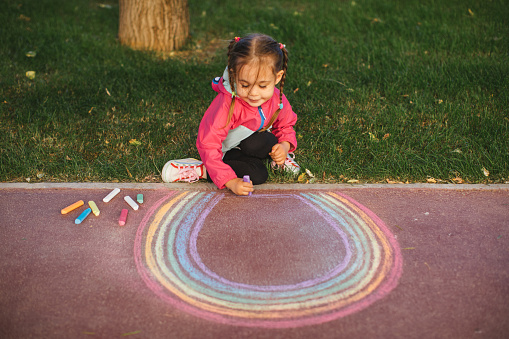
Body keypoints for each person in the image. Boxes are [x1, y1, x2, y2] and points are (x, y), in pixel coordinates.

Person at [162, 33, 300, 195]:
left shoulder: (276, 97)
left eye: (262, 86)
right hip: (224, 150)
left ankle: (279, 159)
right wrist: (230, 181)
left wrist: (284, 145)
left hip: (247, 140)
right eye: (245, 85)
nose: (253, 93)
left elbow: (285, 124)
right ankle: (203, 170)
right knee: (258, 175)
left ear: (277, 77)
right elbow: (209, 144)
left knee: (269, 140)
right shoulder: (228, 105)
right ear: (234, 76)